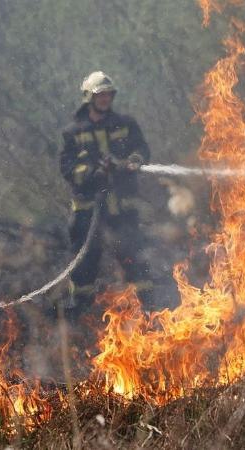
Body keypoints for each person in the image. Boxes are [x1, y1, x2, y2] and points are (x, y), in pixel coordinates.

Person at [59, 71, 151, 311]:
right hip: (88, 211)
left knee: (133, 255)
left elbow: (141, 148)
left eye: (109, 95)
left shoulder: (125, 124)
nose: (105, 99)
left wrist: (134, 159)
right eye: (100, 95)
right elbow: (67, 168)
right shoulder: (73, 132)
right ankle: (80, 310)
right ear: (89, 97)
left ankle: (149, 308)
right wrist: (93, 174)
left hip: (122, 207)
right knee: (85, 260)